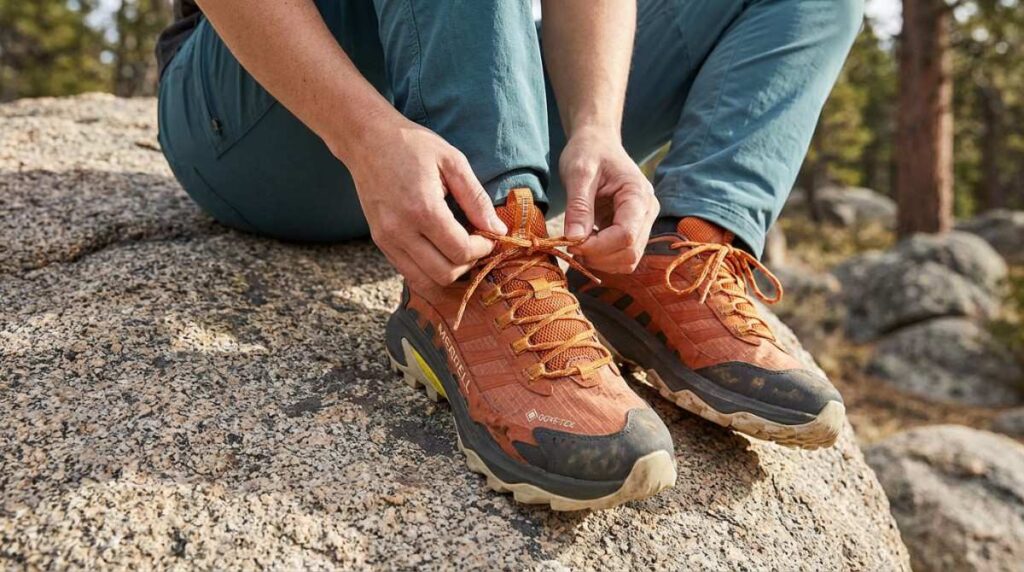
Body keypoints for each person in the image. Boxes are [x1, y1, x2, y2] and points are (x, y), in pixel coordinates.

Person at [156, 0, 863, 510]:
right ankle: (483, 264)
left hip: (469, 83)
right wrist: (366, 134)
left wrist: (596, 128)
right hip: (274, 111)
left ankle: (677, 255)